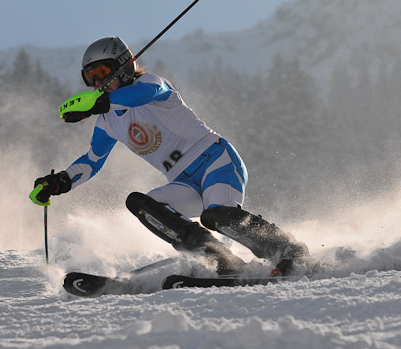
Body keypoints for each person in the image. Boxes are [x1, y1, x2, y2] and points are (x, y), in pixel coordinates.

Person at [32, 36, 307, 276]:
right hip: (184, 184)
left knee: (216, 216)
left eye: (102, 72)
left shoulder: (151, 83)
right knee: (142, 203)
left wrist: (100, 102)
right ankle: (220, 258)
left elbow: (148, 92)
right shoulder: (106, 121)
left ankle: (289, 250)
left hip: (217, 162)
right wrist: (60, 182)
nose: (98, 83)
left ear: (124, 65)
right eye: (90, 78)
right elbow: (92, 160)